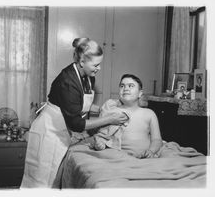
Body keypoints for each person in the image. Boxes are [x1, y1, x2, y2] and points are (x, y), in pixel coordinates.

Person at [21, 38, 128, 188]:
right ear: (82, 62)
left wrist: (104, 109)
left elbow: (80, 105)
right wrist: (110, 118)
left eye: (100, 64)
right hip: (48, 132)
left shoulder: (88, 76)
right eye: (96, 65)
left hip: (62, 129)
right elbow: (77, 124)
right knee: (41, 181)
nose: (99, 68)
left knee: (55, 178)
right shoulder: (67, 81)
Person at [93, 74, 163, 159]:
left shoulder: (149, 114)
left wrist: (151, 151)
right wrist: (100, 144)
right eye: (122, 86)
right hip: (118, 156)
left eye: (131, 86)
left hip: (144, 156)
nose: (126, 88)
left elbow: (156, 139)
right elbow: (102, 135)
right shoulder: (112, 112)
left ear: (140, 93)